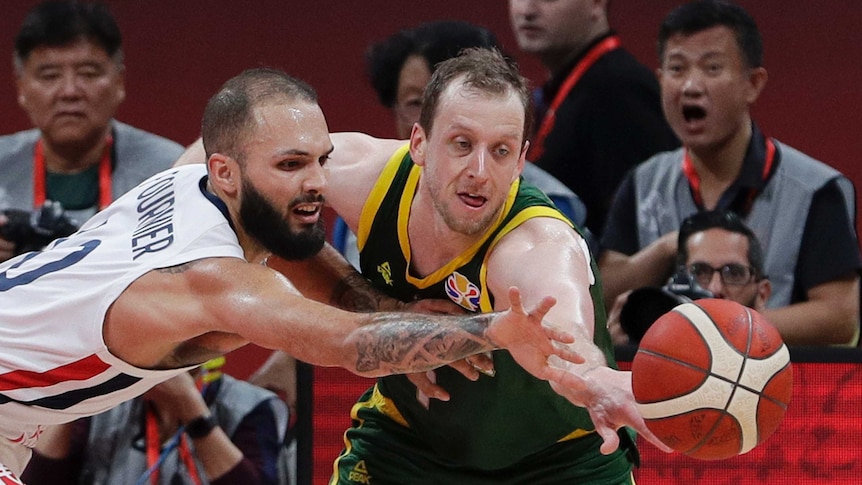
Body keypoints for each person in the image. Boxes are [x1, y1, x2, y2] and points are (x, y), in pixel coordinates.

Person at [0, 67, 588, 481]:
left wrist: (384, 310)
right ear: (226, 171)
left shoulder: (187, 182)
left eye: (320, 159)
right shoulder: (210, 278)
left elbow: (289, 247)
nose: (316, 182)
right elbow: (349, 347)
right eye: (290, 165)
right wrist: (496, 330)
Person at [261, 48, 670, 484]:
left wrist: (593, 377)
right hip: (411, 444)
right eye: (462, 144)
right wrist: (378, 309)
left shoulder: (538, 245)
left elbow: (566, 332)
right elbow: (238, 174)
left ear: (520, 162)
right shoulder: (362, 177)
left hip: (559, 462)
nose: (479, 170)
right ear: (419, 143)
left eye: (500, 151)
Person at [599, 0, 861, 346]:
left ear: (753, 83)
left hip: (774, 389)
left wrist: (714, 329)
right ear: (661, 80)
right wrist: (667, 248)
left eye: (711, 68)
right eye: (677, 69)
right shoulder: (642, 181)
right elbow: (601, 293)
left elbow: (839, 316)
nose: (690, 86)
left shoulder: (816, 189)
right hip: (661, 391)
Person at [334, 19, 589, 268]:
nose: (428, 115)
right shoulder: (363, 190)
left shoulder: (549, 208)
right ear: (418, 140)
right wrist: (376, 303)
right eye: (415, 103)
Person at [0, 0, 185, 263]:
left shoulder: (168, 169)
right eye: (50, 76)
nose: (70, 92)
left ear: (119, 82)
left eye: (88, 73)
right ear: (20, 88)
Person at [508, 0, 678, 236]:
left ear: (597, 3)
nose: (526, 10)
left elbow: (639, 230)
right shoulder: (563, 88)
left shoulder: (620, 89)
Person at [21, 358, 290, 484]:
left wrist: (192, 411)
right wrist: (76, 398)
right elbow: (41, 480)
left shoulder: (253, 405)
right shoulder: (105, 401)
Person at [607, 210, 771, 345]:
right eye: (699, 272)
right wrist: (618, 355)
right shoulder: (652, 354)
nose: (715, 289)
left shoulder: (784, 374)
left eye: (734, 273)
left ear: (762, 294)